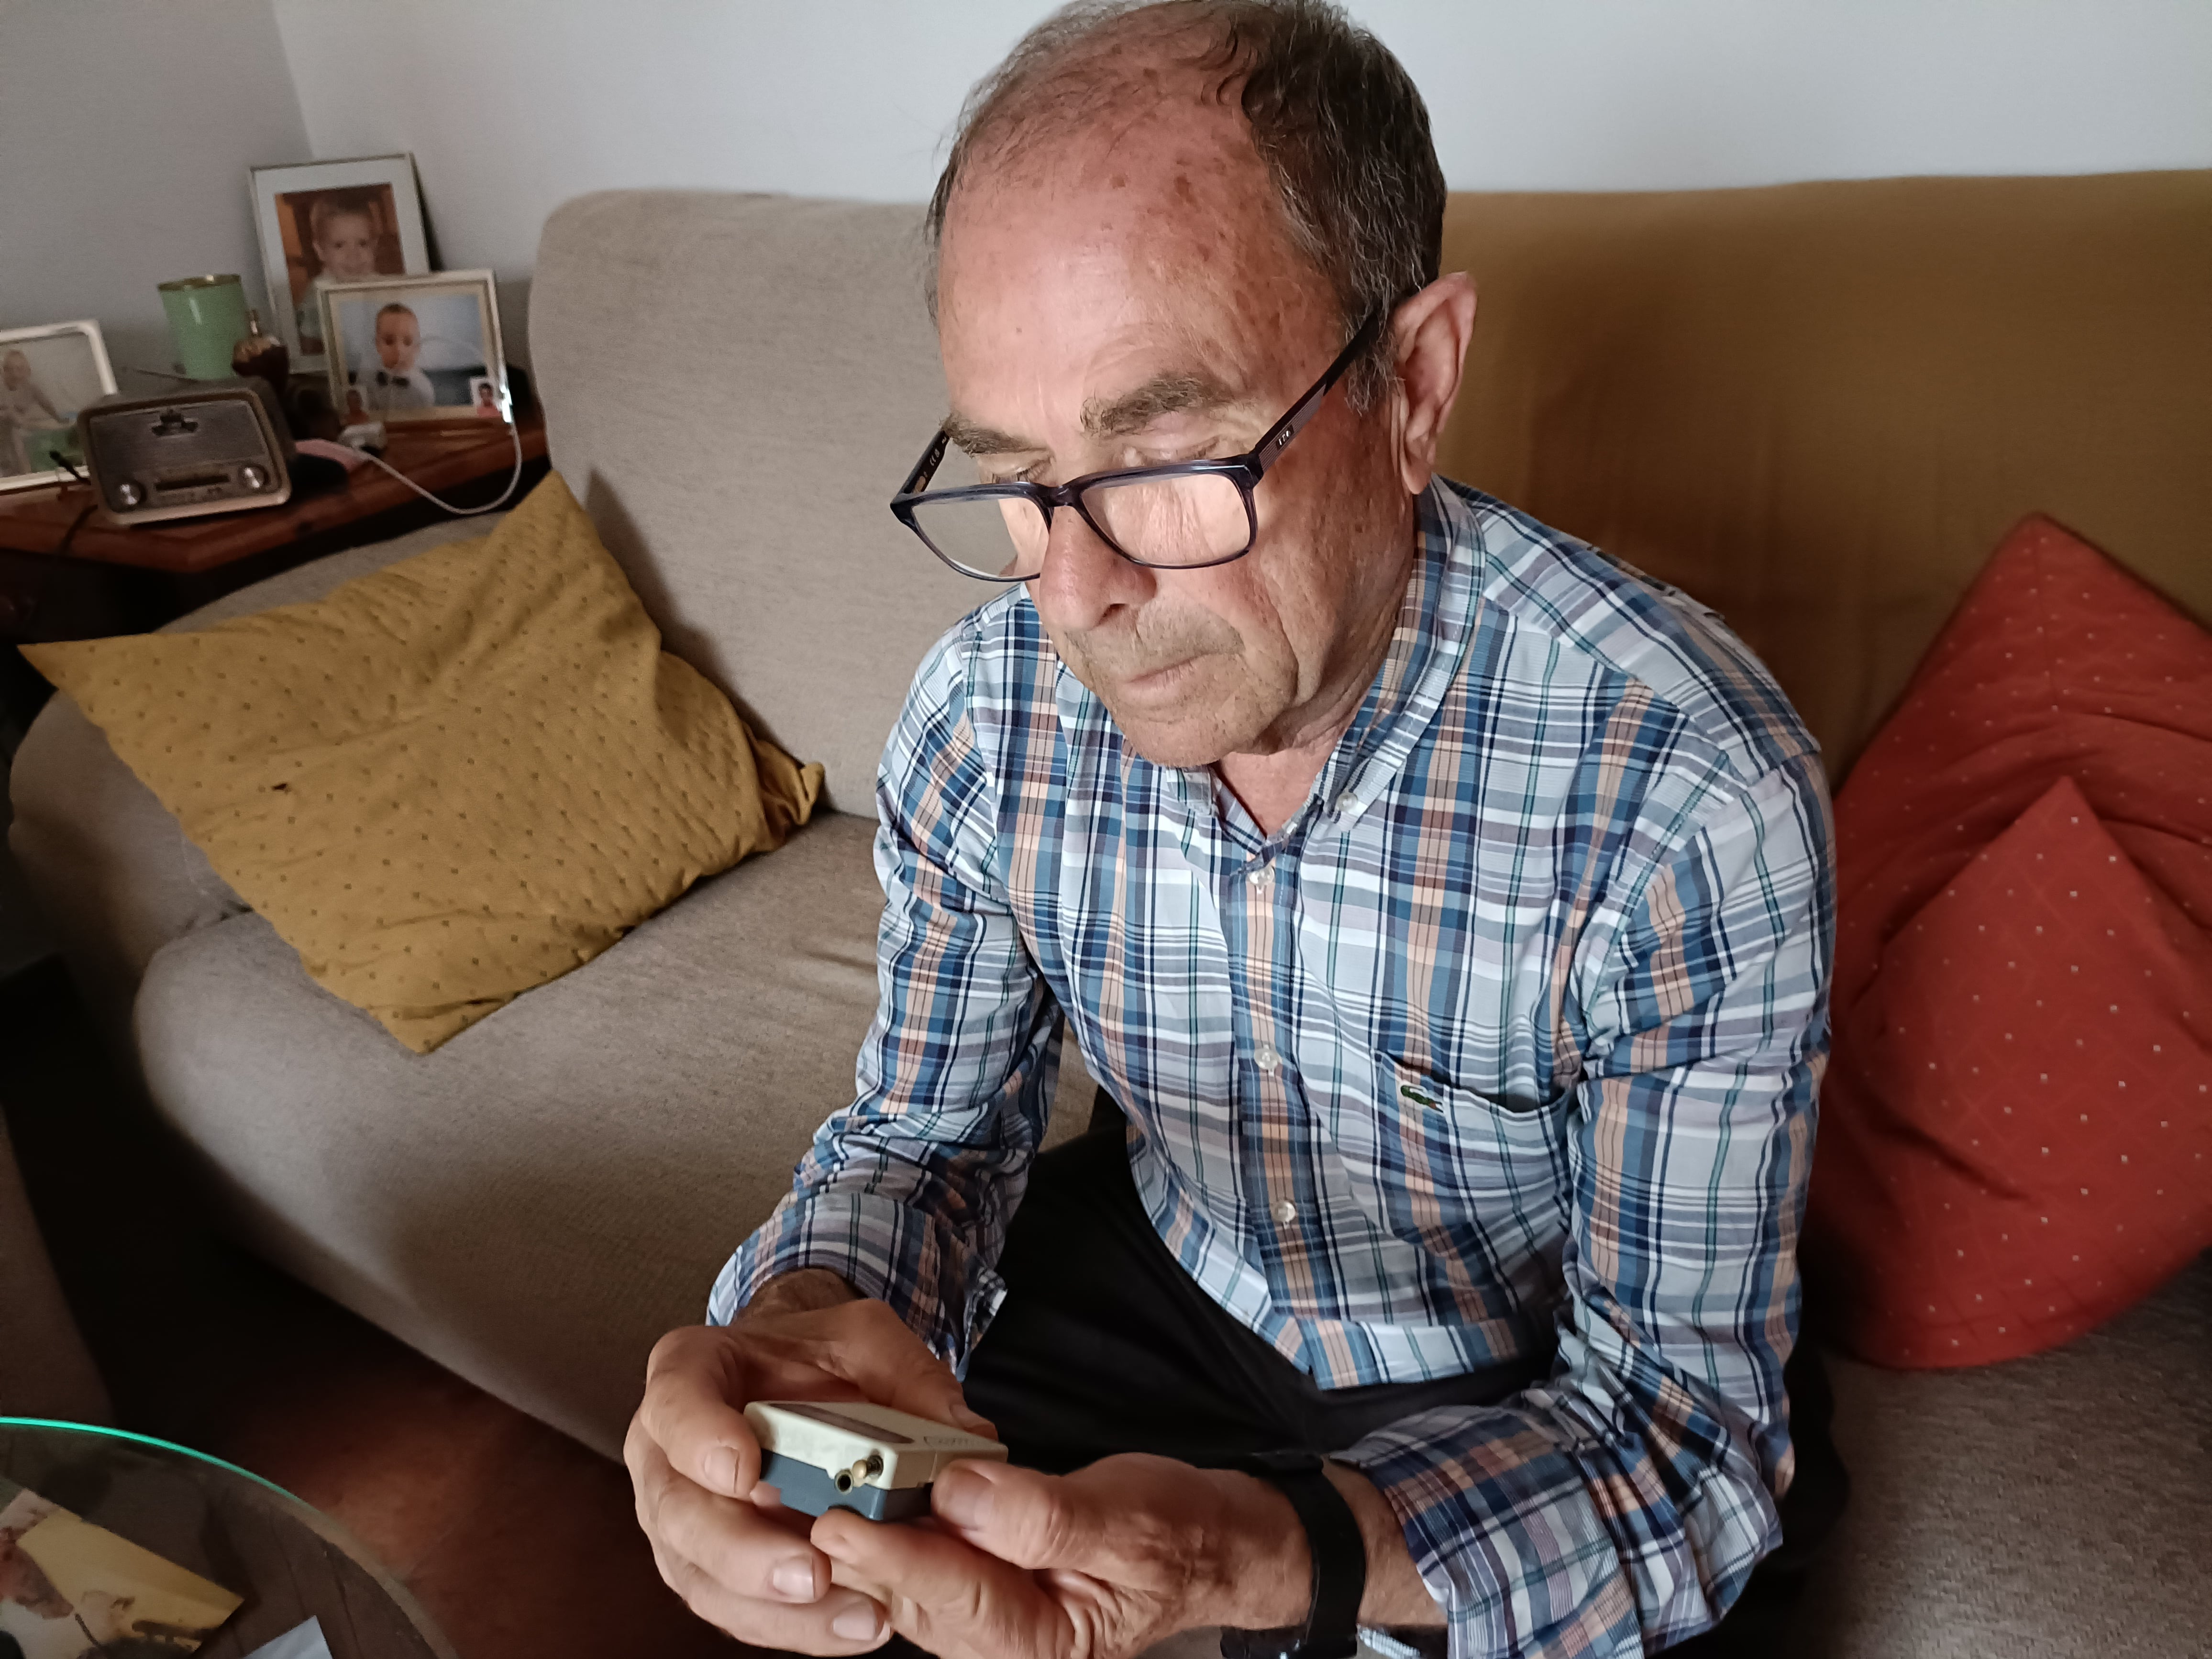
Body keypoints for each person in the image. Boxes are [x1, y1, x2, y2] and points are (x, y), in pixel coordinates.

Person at [626, 4, 1840, 1657]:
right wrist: (804, 1323)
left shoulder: (1686, 789)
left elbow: (1681, 1442)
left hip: (1536, 1361)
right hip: (1173, 1257)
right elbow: (921, 1143)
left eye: (1166, 456)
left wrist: (1272, 1556)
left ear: (1413, 384)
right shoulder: (988, 710)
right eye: (1014, 476)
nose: (1077, 596)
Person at [292, 195, 390, 354]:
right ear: (320, 251)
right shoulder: (318, 293)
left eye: (363, 243)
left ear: (375, 245)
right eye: (339, 245)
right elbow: (309, 345)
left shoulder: (386, 287)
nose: (353, 255)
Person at [353, 303, 434, 414]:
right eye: (389, 341)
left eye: (408, 342)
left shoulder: (423, 387)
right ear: (377, 345)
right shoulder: (366, 380)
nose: (399, 350)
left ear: (418, 347)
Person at [0, 351, 64, 476]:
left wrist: (58, 418)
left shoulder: (31, 389)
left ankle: (25, 475)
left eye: (19, 369)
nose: (15, 374)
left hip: (15, 433)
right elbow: (11, 414)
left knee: (19, 443)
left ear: (28, 371)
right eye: (10, 370)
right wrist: (8, 414)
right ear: (3, 372)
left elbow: (46, 403)